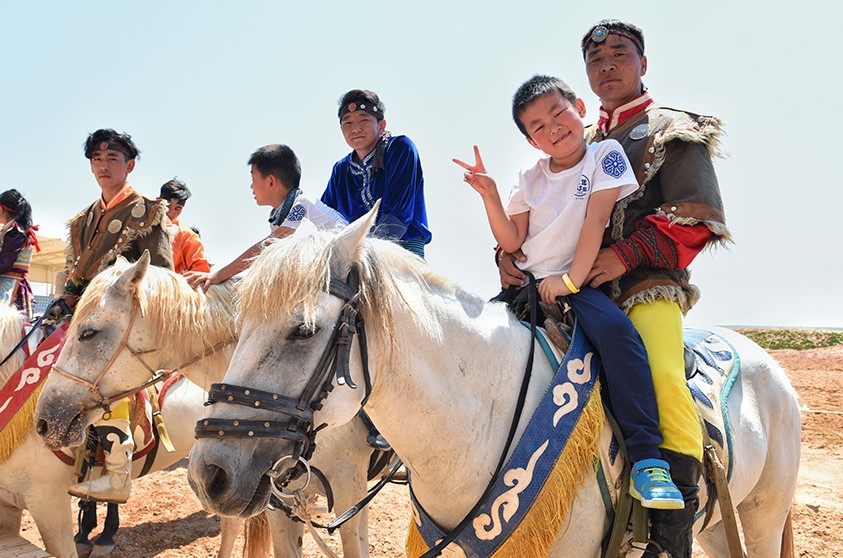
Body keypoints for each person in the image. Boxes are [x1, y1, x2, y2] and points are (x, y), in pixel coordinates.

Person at [499, 21, 729, 558]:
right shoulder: (575, 138)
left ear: (643, 63)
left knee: (662, 376)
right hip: (568, 287)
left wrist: (624, 254)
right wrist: (507, 256)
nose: (608, 66)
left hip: (644, 286)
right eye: (596, 60)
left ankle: (671, 529)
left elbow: (697, 219)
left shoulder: (673, 130)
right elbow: (543, 218)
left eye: (620, 54)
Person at [456, 74, 683, 512]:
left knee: (619, 337)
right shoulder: (529, 176)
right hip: (526, 285)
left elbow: (595, 221)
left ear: (579, 108)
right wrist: (489, 196)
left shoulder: (605, 155)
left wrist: (571, 282)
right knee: (471, 339)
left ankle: (647, 459)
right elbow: (512, 239)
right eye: (538, 127)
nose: (553, 128)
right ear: (532, 142)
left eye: (558, 113)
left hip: (572, 283)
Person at [61, 129, 173, 504]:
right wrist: (64, 298)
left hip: (126, 322)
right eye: (97, 159)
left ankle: (117, 470)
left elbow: (162, 275)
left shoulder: (147, 212)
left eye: (112, 159)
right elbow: (74, 274)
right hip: (82, 318)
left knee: (107, 375)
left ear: (130, 165)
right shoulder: (82, 220)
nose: (103, 165)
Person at [184, 144, 345, 291]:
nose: (251, 186)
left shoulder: (303, 204)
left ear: (270, 182)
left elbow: (267, 247)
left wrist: (218, 275)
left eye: (253, 179)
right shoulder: (279, 217)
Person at [321, 89, 432, 258]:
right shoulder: (341, 169)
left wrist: (366, 252)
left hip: (402, 250)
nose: (355, 129)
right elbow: (326, 215)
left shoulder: (400, 148)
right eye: (348, 122)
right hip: (353, 255)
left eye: (364, 120)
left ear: (381, 125)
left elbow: (397, 216)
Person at [158, 179, 210, 275]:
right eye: (167, 206)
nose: (170, 213)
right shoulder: (141, 225)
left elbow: (200, 271)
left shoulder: (188, 237)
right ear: (158, 200)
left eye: (177, 208)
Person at [0, 189, 38, 318]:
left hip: (8, 286)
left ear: (1, 209)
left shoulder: (15, 232)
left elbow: (4, 263)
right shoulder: (9, 231)